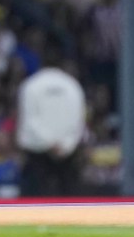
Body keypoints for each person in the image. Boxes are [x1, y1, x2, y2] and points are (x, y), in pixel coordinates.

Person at [16, 55, 86, 196]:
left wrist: (49, 143)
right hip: (66, 151)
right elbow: (78, 120)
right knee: (70, 201)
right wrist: (65, 144)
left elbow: (30, 119)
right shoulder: (72, 85)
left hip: (38, 151)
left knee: (34, 201)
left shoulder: (31, 85)